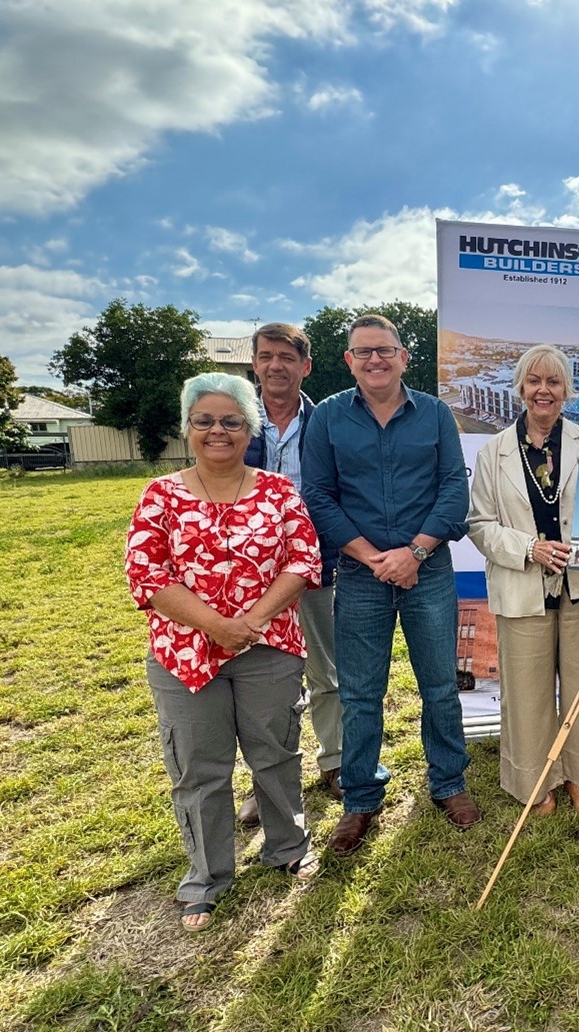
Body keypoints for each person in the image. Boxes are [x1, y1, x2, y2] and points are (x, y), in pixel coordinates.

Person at [126, 373, 322, 931]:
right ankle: (207, 877)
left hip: (269, 647)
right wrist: (216, 626)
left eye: (231, 421)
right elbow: (145, 574)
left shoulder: (278, 491)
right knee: (199, 769)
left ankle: (287, 848)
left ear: (248, 428)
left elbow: (302, 561)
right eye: (205, 420)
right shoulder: (160, 495)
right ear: (188, 428)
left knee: (276, 753)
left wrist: (252, 622)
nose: (218, 431)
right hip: (185, 653)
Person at [301, 312, 478, 853]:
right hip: (360, 574)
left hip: (428, 570)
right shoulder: (329, 418)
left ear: (403, 356)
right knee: (360, 693)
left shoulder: (436, 415)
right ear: (349, 360)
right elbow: (319, 496)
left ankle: (448, 783)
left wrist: (415, 551)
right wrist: (375, 557)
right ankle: (360, 800)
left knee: (441, 687)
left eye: (385, 350)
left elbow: (454, 488)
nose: (375, 359)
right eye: (364, 352)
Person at [468, 345, 579, 815]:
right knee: (527, 689)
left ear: (567, 391)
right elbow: (479, 525)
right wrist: (529, 548)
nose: (544, 390)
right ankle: (537, 779)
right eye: (535, 381)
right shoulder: (492, 452)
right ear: (521, 388)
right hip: (523, 587)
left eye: (554, 382)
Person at [235, 322, 343, 828]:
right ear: (254, 363)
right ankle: (268, 783)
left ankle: (336, 761)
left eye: (286, 357)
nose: (275, 365)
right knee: (265, 685)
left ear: (306, 366)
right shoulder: (233, 419)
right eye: (266, 356)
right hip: (250, 575)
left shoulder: (328, 422)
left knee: (329, 670)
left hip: (316, 565)